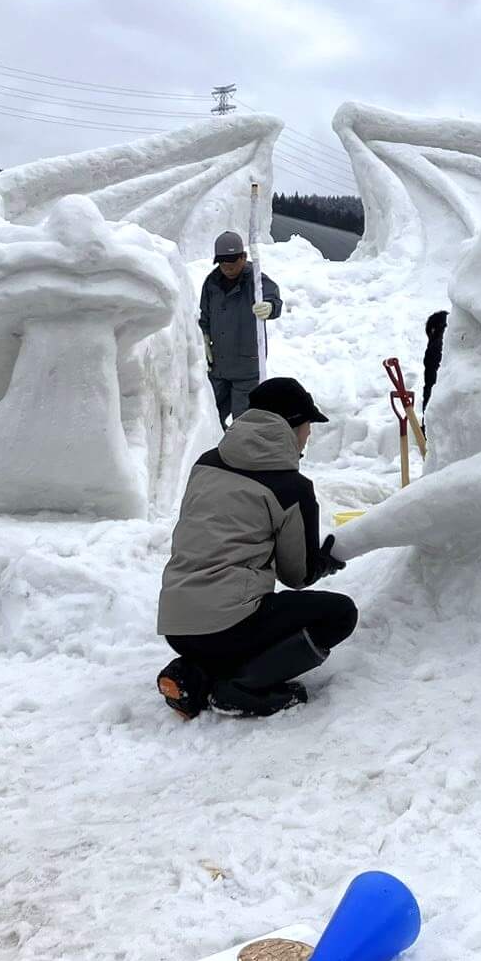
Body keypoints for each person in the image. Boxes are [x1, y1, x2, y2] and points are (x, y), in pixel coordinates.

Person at [155, 376, 354, 719]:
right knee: (340, 614)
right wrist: (324, 561)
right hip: (228, 626)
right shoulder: (291, 488)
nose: (308, 435)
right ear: (292, 424)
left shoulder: (206, 462)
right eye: (308, 425)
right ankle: (243, 687)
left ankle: (196, 675)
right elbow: (297, 575)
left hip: (176, 623)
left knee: (238, 618)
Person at [198, 230, 283, 427]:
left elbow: (274, 301)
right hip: (218, 367)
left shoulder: (256, 280)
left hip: (247, 369)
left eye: (232, 263)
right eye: (223, 263)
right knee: (208, 419)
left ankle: (239, 456)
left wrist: (270, 307)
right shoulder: (212, 283)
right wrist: (203, 338)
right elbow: (204, 316)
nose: (227, 268)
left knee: (244, 423)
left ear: (243, 257)